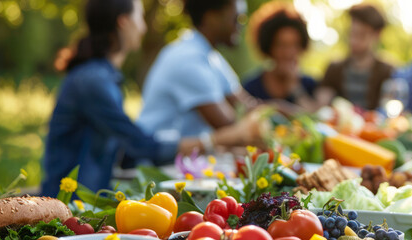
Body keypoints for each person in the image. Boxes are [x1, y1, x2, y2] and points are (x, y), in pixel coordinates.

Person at [41, 0, 202, 196]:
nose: (143, 27)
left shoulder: (101, 77)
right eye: (140, 17)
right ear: (124, 22)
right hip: (70, 206)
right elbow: (138, 143)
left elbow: (127, 150)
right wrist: (207, 142)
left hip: (87, 200)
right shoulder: (93, 81)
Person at [138, 0, 261, 153]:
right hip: (155, 161)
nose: (241, 25)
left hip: (185, 158)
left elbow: (244, 105)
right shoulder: (188, 58)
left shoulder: (212, 57)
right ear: (211, 17)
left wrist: (277, 111)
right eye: (237, 18)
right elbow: (232, 126)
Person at [243, 2, 318, 112]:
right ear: (269, 47)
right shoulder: (250, 87)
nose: (288, 53)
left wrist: (295, 88)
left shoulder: (310, 85)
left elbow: (317, 120)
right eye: (281, 45)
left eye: (294, 45)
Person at [318, 3, 393, 110]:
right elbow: (320, 107)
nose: (354, 41)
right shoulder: (334, 69)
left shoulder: (388, 71)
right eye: (352, 33)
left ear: (377, 35)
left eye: (362, 35)